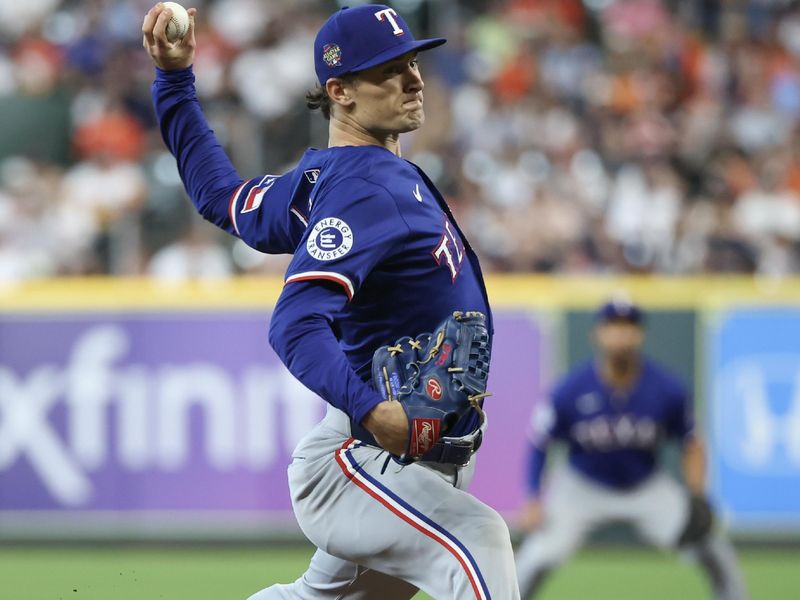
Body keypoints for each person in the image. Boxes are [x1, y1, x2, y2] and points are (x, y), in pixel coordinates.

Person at [142, 3, 519, 599]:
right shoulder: (363, 190)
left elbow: (220, 194)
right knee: (481, 541)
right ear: (339, 91)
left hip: (413, 456)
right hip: (359, 455)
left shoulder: (321, 183)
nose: (414, 79)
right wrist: (370, 409)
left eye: (413, 62)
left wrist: (174, 80)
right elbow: (294, 323)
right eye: (389, 70)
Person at [515, 300, 749, 600]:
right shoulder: (571, 389)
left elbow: (691, 442)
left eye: (628, 327)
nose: (621, 334)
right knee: (537, 557)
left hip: (646, 487)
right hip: (581, 487)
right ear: (598, 334)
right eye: (613, 326)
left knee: (709, 545)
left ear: (641, 334)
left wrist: (697, 494)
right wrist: (533, 497)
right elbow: (539, 443)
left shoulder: (667, 388)